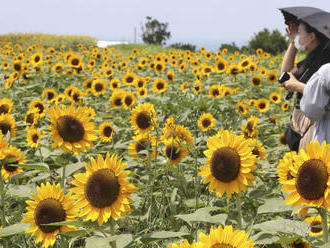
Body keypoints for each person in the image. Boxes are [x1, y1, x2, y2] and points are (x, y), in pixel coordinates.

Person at [280, 20, 330, 151]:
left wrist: (297, 85)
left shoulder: (325, 64)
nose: (297, 35)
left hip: (315, 123)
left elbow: (324, 97)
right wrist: (292, 43)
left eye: (299, 32)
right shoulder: (311, 59)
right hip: (300, 121)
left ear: (311, 37)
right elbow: (285, 74)